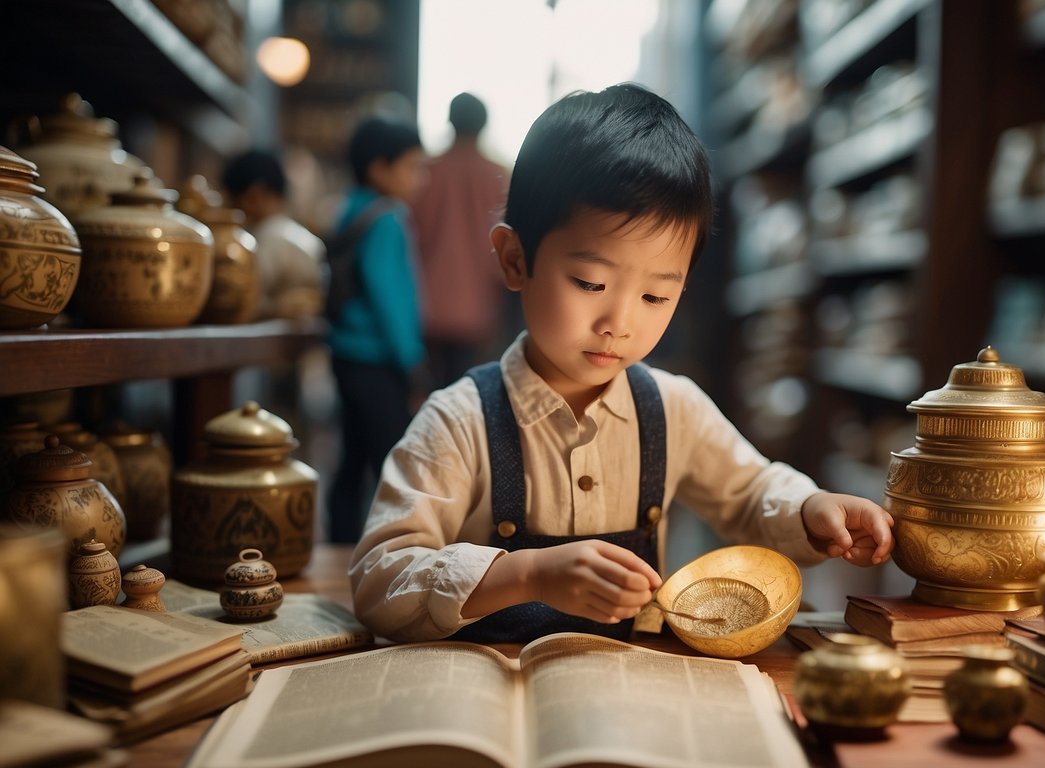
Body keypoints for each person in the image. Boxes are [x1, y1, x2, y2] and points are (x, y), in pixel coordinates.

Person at [349, 84, 893, 644]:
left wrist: (810, 507)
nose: (619, 322)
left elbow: (751, 492)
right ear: (515, 259)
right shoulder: (458, 421)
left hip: (626, 694)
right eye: (590, 282)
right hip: (486, 699)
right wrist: (527, 574)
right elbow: (378, 579)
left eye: (655, 297)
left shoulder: (671, 407)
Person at [326, 116, 430, 544]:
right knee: (391, 460)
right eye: (412, 168)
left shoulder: (351, 206)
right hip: (377, 358)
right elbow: (392, 299)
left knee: (351, 457)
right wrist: (413, 362)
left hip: (346, 352)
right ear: (378, 169)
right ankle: (387, 550)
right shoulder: (389, 217)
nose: (418, 180)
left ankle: (339, 542)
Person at [410, 92, 511, 387]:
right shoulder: (497, 175)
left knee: (428, 390)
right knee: (467, 390)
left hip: (426, 302)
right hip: (478, 306)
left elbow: (413, 234)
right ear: (483, 125)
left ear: (450, 121)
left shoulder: (426, 171)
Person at [220, 149, 326, 320]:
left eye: (231, 200)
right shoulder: (310, 239)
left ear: (253, 196)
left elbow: (242, 304)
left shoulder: (263, 241)